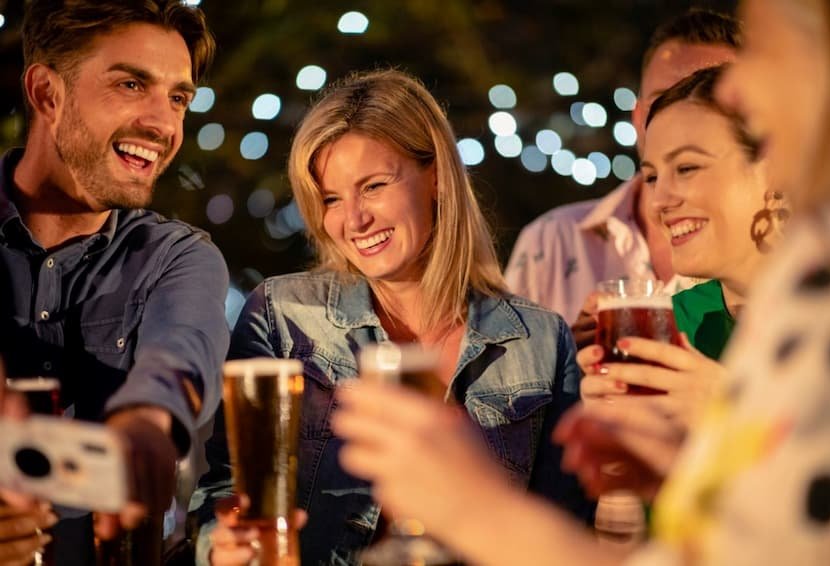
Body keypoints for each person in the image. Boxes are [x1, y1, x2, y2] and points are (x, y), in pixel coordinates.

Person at [332, 0, 830, 564]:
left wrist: (475, 508)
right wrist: (687, 466)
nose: (733, 89)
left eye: (767, 50)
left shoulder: (828, 293)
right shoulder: (770, 300)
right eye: (653, 174)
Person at [195, 69, 592, 565]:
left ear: (438, 178)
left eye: (375, 186)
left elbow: (563, 526)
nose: (353, 219)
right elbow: (223, 491)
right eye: (331, 199)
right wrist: (222, 548)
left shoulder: (539, 338)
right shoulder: (282, 315)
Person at [0, 1, 229, 564]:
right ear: (47, 94)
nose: (165, 124)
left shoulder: (177, 257)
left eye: (179, 98)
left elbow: (182, 353)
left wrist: (148, 420)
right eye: (131, 84)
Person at [506, 8, 739, 342]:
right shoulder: (550, 242)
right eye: (663, 102)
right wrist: (562, 368)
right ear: (638, 116)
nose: (680, 122)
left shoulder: (799, 260)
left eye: (709, 100)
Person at [579, 64, 786, 429]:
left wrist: (730, 407)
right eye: (653, 177)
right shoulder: (671, 326)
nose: (659, 200)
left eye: (687, 168)